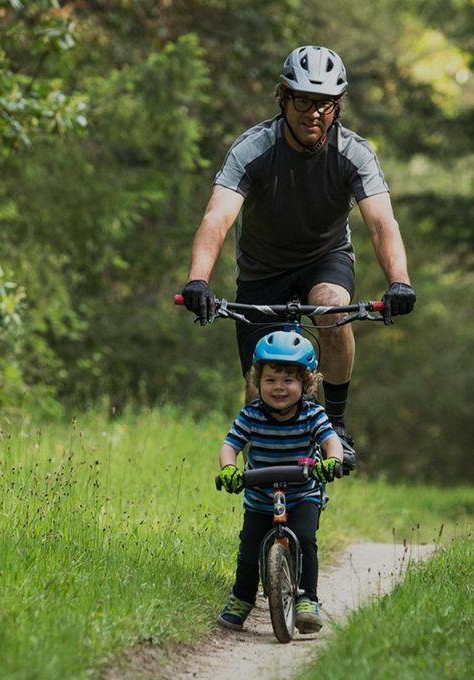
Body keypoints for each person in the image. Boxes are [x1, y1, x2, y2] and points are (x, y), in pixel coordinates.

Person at [182, 45, 416, 473]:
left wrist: (398, 281)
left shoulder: (354, 153)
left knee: (330, 307)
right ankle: (262, 524)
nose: (314, 114)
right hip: (261, 269)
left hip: (324, 258)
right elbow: (217, 217)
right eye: (304, 101)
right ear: (284, 100)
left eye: (324, 104)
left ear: (337, 107)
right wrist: (199, 280)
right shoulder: (253, 149)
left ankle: (337, 423)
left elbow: (382, 223)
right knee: (260, 392)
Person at [216, 330, 344, 633]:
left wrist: (332, 461)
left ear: (306, 382)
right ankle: (242, 599)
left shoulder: (313, 414)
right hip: (260, 498)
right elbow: (229, 445)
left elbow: (331, 441)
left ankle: (307, 600)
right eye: (270, 380)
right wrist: (229, 469)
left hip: (303, 495)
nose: (279, 388)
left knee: (306, 541)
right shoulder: (251, 415)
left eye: (288, 380)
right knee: (249, 552)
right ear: (257, 382)